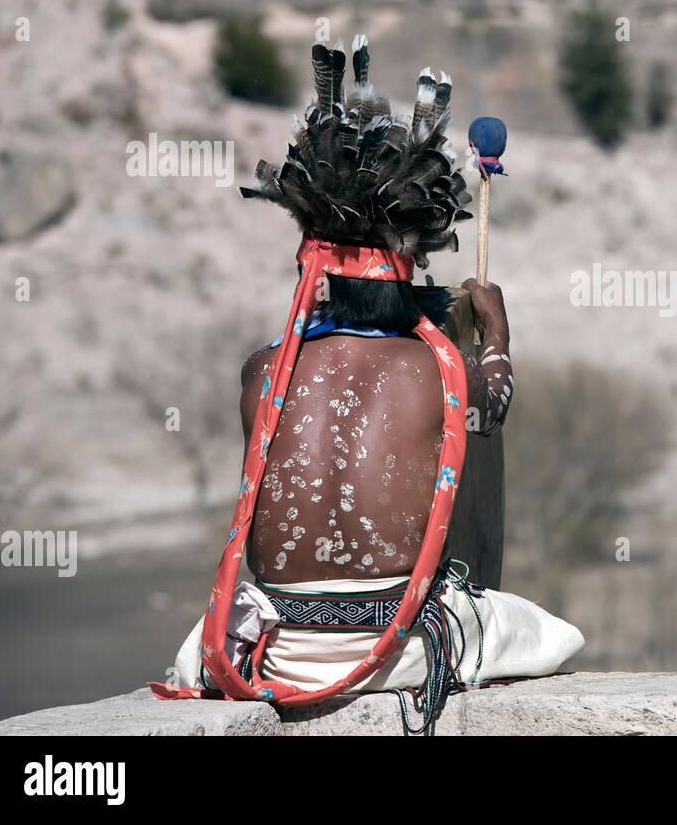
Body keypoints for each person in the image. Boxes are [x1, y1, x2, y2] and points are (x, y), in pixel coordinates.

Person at [154, 35, 582, 728]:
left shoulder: (263, 372)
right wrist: (496, 333)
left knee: (198, 641)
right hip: (397, 651)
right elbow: (494, 405)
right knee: (549, 634)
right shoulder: (441, 369)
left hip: (277, 650)